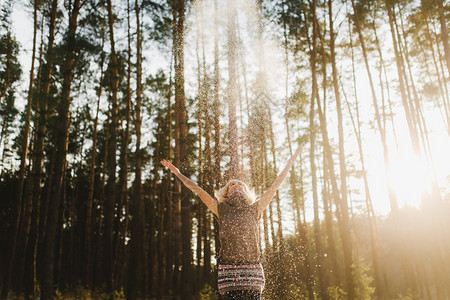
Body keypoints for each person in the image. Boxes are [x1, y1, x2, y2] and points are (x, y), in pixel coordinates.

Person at [161, 148, 301, 300]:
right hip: (229, 271)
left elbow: (274, 186)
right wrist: (177, 173)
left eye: (240, 185)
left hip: (252, 270)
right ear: (227, 192)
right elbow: (199, 191)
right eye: (232, 185)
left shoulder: (255, 208)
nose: (236, 186)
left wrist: (290, 163)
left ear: (246, 191)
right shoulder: (221, 209)